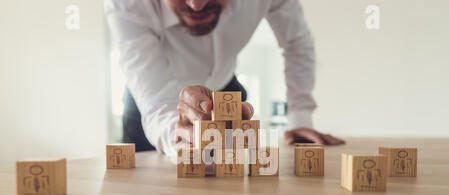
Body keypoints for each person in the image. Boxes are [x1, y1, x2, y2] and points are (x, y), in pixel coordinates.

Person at [104, 0, 345, 160]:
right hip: (151, 100)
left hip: (225, 87)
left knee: (230, 172)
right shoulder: (125, 5)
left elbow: (296, 43)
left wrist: (300, 117)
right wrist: (175, 134)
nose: (196, 4)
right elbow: (156, 103)